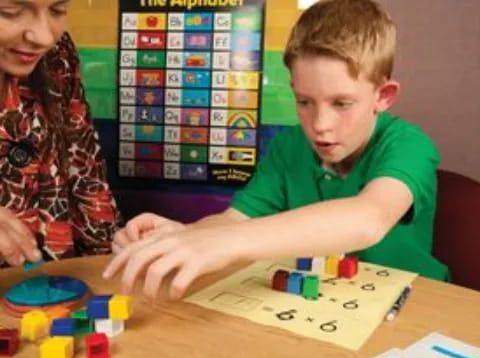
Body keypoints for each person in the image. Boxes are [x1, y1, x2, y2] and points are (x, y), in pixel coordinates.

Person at [103, 0, 448, 299]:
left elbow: (367, 219)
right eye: (304, 102)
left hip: (412, 304)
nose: (320, 124)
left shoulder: (409, 145)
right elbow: (234, 220)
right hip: (325, 303)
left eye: (342, 103)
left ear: (383, 96)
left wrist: (227, 242)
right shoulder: (287, 146)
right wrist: (183, 235)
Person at [0, 0, 120, 267]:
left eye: (58, 10)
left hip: (55, 282)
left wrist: (108, 262)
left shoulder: (57, 54)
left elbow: (85, 172)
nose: (44, 37)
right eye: (9, 12)